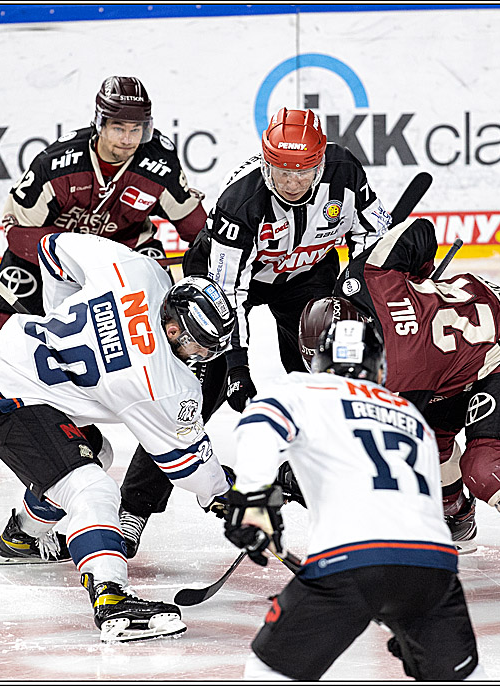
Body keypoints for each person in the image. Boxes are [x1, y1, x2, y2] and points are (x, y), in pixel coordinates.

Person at [298, 217, 500, 617]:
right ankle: (455, 515)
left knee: (485, 466)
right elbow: (419, 231)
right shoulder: (365, 276)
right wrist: (419, 284)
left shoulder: (402, 376)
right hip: (452, 352)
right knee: (433, 437)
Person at [115, 107, 393, 557]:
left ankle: (330, 481)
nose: (292, 182)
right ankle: (134, 508)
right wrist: (237, 366)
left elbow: (373, 237)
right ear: (266, 164)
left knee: (332, 378)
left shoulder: (345, 171)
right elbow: (229, 291)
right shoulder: (241, 202)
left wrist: (358, 283)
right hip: (220, 286)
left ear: (321, 163)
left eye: (303, 171)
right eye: (282, 171)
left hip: (307, 276)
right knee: (194, 393)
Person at [0, 232, 235, 642]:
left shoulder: (139, 271)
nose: (201, 358)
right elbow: (188, 468)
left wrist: (59, 314)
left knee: (94, 452)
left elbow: (52, 249)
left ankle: (21, 538)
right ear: (172, 328)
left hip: (13, 363)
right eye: (197, 347)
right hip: (10, 399)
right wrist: (222, 491)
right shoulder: (163, 383)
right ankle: (111, 596)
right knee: (91, 488)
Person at [0, 75, 208, 432]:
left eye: (136, 129)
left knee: (161, 300)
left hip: (125, 252)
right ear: (100, 123)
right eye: (118, 128)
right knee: (5, 309)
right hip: (52, 253)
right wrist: (67, 252)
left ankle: (168, 382)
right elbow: (16, 231)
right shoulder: (58, 163)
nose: (128, 139)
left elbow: (196, 228)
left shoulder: (159, 162)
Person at [223, 318, 485, 680]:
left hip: (350, 559)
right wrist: (397, 607)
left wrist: (252, 498)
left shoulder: (305, 388)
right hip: (432, 567)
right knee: (461, 676)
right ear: (379, 367)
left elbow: (260, 423)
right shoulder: (410, 416)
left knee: (268, 669)